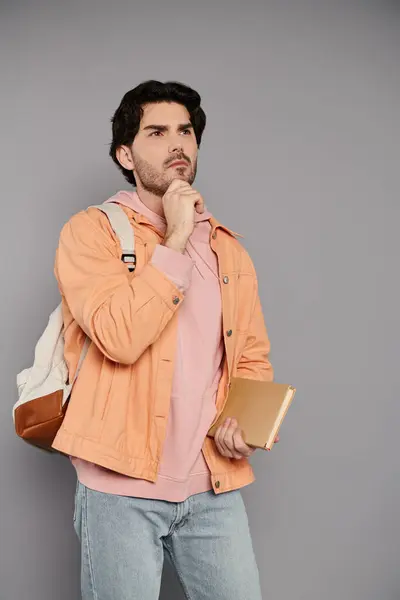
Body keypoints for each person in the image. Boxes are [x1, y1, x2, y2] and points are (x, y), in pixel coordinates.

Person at [52, 79, 277, 600]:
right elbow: (119, 336)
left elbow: (250, 357)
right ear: (125, 154)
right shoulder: (92, 233)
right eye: (157, 132)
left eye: (185, 131)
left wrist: (248, 424)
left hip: (213, 483)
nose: (177, 143)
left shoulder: (227, 250)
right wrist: (174, 238)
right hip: (119, 484)